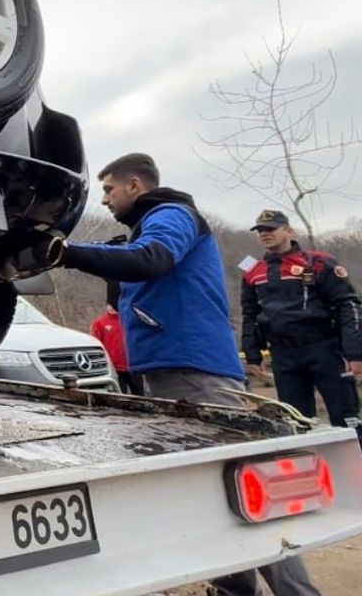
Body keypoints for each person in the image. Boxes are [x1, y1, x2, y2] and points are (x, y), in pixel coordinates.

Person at [53, 153, 320, 596]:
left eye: (108, 190)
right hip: (170, 371)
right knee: (207, 494)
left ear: (135, 185)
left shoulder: (171, 215)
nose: (104, 200)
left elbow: (151, 258)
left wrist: (69, 252)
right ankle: (234, 590)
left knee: (244, 490)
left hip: (197, 371)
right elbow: (129, 257)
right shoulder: (147, 227)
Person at [239, 209, 362, 430]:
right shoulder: (252, 270)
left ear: (288, 231)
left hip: (324, 348)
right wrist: (252, 354)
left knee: (347, 418)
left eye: (271, 229)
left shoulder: (318, 263)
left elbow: (348, 305)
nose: (265, 234)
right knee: (296, 422)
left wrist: (354, 352)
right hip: (283, 355)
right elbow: (249, 314)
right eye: (260, 231)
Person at [90, 281, 142, 395]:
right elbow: (97, 345)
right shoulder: (100, 323)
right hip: (115, 368)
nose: (111, 307)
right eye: (109, 304)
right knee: (119, 394)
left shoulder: (129, 320)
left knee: (139, 394)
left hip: (133, 366)